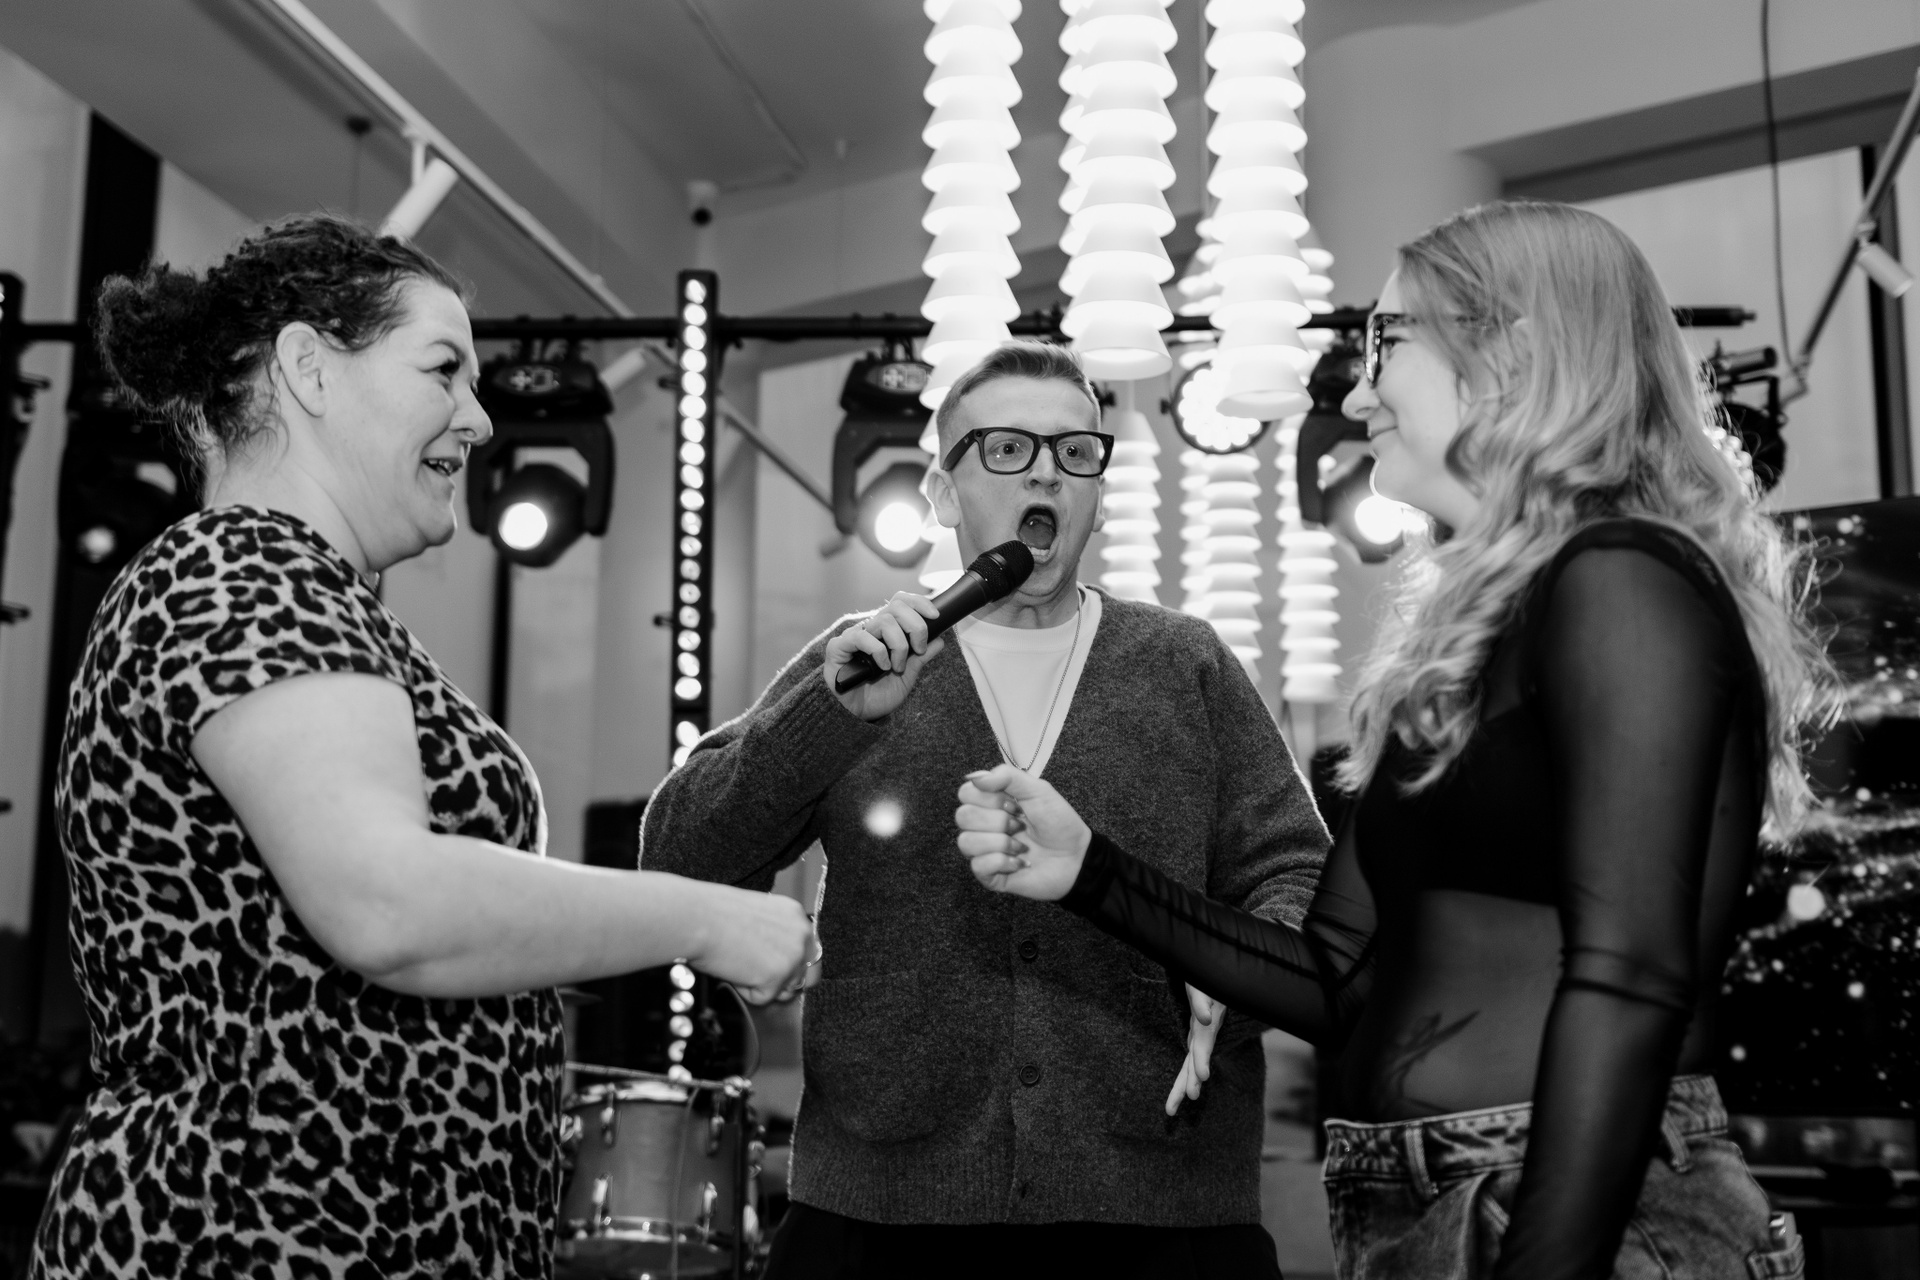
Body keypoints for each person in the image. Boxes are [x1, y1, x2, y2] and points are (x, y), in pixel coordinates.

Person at [955, 201, 1827, 1280]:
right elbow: (1336, 977)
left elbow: (1633, 981)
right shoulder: (1473, 640)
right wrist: (1092, 873)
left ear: (1510, 350)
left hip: (1588, 1212)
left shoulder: (1624, 578)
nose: (1358, 392)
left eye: (1386, 343)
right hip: (1426, 1208)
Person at [31, 214, 813, 1280]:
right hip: (256, 1234)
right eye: (444, 369)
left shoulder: (302, 591)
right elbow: (387, 904)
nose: (479, 421)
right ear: (309, 368)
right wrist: (704, 917)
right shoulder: (244, 569)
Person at [640, 342, 1328, 1279]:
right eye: (1006, 449)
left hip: (1165, 1213)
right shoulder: (865, 660)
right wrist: (827, 718)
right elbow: (680, 862)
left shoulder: (1185, 664)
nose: (1046, 472)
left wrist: (1231, 971)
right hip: (880, 1214)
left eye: (1075, 452)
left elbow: (1301, 877)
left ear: (1097, 494)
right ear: (943, 492)